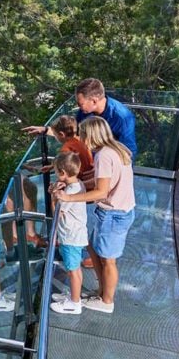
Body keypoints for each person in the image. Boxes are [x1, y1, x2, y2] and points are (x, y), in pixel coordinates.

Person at [53, 116, 135, 314]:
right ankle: (101, 293)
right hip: (119, 210)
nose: (81, 138)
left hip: (113, 213)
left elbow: (101, 191)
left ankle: (107, 301)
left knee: (108, 259)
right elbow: (100, 180)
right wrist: (74, 185)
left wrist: (69, 198)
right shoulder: (117, 149)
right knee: (96, 251)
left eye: (82, 134)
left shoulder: (104, 156)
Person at [23, 78, 138, 160]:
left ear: (94, 100)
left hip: (109, 167)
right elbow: (72, 133)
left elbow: (128, 151)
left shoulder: (121, 117)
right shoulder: (85, 112)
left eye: (81, 103)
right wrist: (46, 130)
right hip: (90, 162)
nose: (79, 107)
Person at [48, 152, 86, 315]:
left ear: (62, 173)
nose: (55, 174)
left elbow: (57, 212)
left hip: (71, 237)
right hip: (74, 235)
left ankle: (74, 303)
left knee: (73, 270)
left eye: (56, 171)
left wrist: (53, 196)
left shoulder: (69, 194)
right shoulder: (78, 185)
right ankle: (73, 295)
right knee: (74, 268)